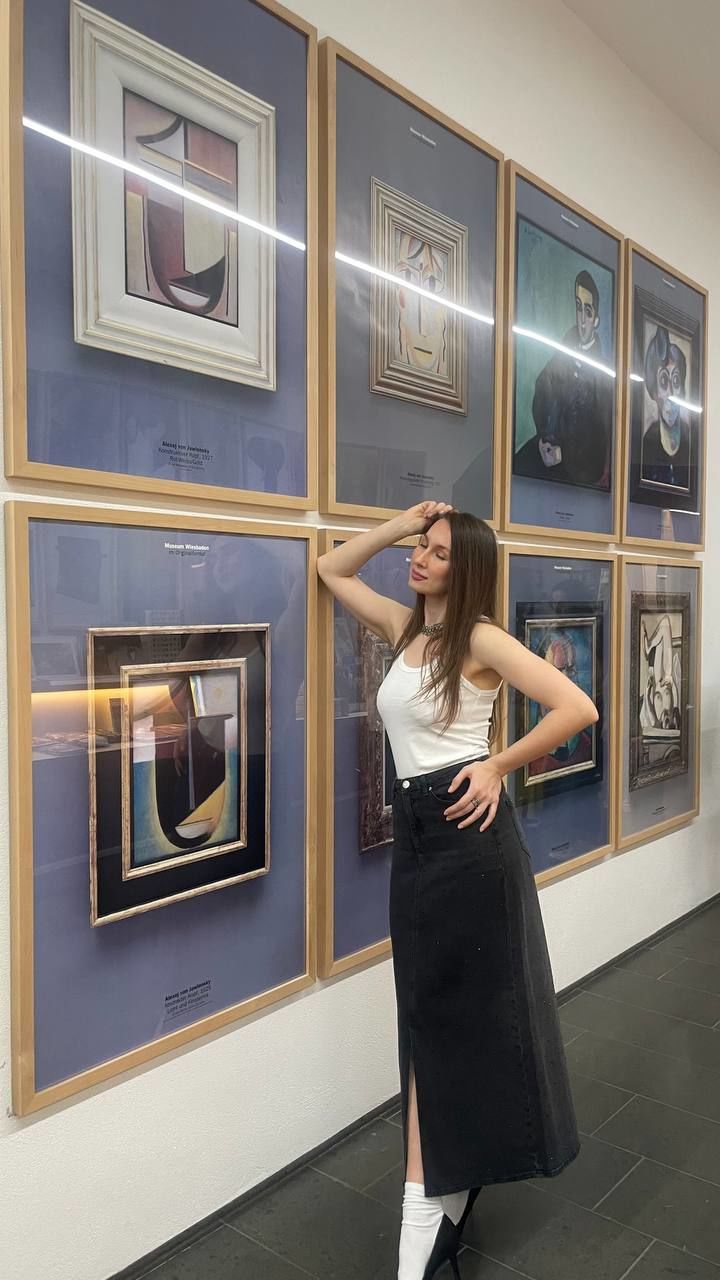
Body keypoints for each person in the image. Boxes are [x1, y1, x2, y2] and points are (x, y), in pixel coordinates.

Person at [317, 502, 598, 1280]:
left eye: (438, 553)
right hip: (417, 841)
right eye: (422, 547)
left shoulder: (478, 638)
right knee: (427, 1015)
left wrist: (498, 765)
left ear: (465, 567)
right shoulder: (405, 629)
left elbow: (577, 707)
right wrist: (399, 523)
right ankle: (444, 1182)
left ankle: (426, 1197)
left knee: (456, 1020)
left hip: (469, 838)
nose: (421, 559)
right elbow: (331, 568)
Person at [514, 268, 613, 489]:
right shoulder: (561, 357)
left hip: (582, 464)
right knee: (520, 464)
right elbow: (542, 392)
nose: (582, 318)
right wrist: (545, 438)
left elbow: (601, 434)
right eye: (578, 307)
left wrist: (565, 453)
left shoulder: (604, 376)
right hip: (551, 447)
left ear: (596, 319)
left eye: (588, 311)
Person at [640, 325, 691, 494]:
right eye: (663, 382)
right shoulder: (647, 444)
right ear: (654, 392)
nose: (671, 394)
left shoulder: (691, 442)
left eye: (675, 381)